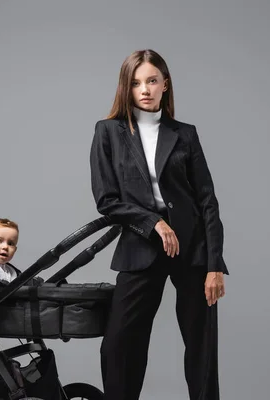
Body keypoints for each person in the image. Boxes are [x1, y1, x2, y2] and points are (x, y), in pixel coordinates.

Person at [89, 49, 229, 400]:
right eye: (136, 83)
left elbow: (207, 203)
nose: (145, 89)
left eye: (152, 81)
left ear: (165, 84)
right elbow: (107, 200)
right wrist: (153, 223)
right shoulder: (109, 132)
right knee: (118, 346)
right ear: (127, 88)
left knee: (201, 347)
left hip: (193, 248)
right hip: (141, 245)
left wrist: (215, 266)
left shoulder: (185, 133)